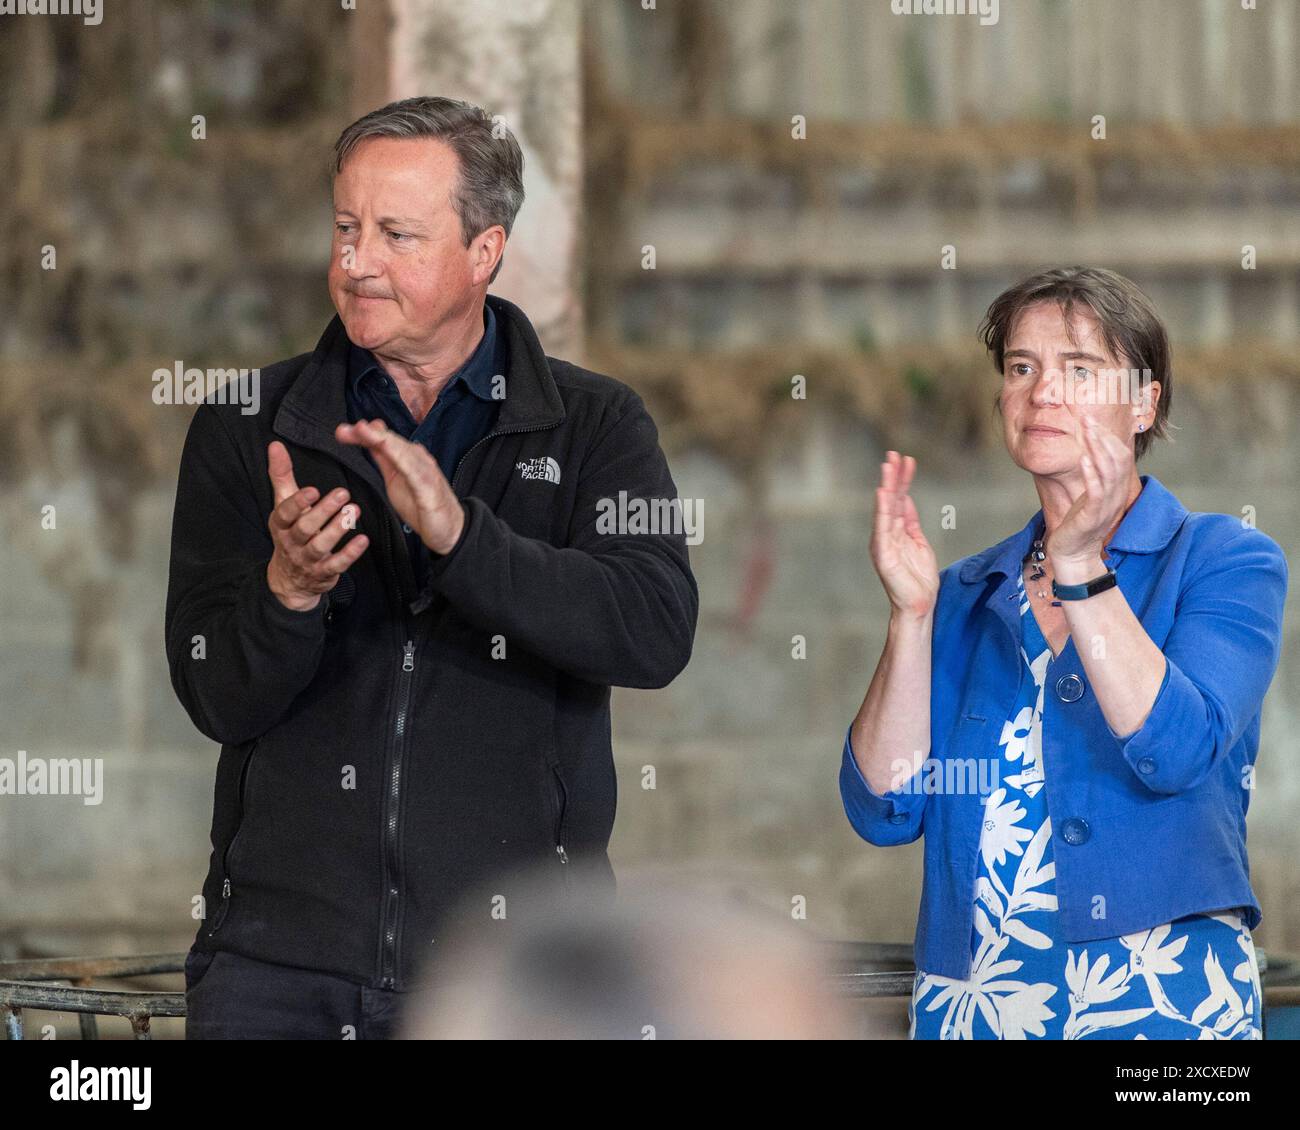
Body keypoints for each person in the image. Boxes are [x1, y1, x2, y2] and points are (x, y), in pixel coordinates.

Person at [166, 96, 698, 1039]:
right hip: (276, 970)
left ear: (485, 251)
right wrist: (286, 594)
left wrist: (464, 540)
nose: (354, 261)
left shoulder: (598, 425)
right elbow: (216, 696)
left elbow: (654, 630)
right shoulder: (247, 422)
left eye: (396, 234)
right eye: (344, 227)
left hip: (520, 973)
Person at [839, 266, 1288, 1040]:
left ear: (1145, 402)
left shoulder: (1224, 558)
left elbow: (1177, 748)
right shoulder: (968, 590)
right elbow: (883, 807)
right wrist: (912, 618)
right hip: (975, 999)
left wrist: (1081, 569)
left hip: (1162, 993)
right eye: (1022, 367)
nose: (1042, 391)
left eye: (1080, 369)